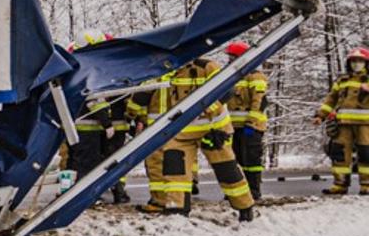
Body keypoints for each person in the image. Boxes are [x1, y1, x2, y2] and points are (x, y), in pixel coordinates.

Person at [130, 56, 255, 220]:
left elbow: (227, 90)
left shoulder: (207, 67)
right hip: (179, 132)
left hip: (212, 130)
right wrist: (133, 115)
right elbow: (142, 98)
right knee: (175, 172)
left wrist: (207, 108)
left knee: (226, 169)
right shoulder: (160, 70)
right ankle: (177, 210)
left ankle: (245, 207)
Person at [68, 31, 133, 204]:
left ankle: (102, 194)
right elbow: (95, 99)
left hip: (90, 126)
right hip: (92, 126)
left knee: (92, 162)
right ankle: (90, 197)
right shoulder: (94, 70)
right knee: (93, 163)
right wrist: (107, 123)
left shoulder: (86, 67)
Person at [316, 46, 369, 195]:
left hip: (365, 125)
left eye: (360, 61)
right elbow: (331, 99)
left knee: (366, 155)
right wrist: (320, 115)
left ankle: (367, 186)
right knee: (339, 154)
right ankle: (340, 185)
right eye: (353, 61)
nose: (356, 64)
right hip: (343, 124)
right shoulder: (342, 80)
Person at [221, 41, 268, 200]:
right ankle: (238, 193)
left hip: (251, 127)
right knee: (235, 160)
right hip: (233, 127)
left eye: (232, 57)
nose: (229, 60)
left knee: (251, 159)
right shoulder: (232, 76)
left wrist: (251, 123)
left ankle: (254, 191)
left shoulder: (256, 76)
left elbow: (258, 102)